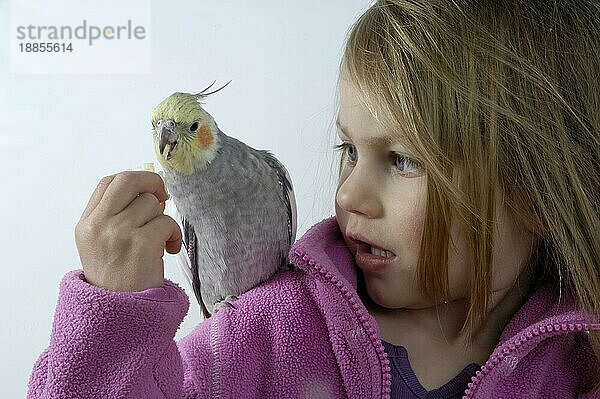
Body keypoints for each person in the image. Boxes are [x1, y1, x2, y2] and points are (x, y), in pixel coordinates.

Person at [28, 1, 600, 398]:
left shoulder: (581, 363)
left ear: (534, 192)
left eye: (402, 160)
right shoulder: (266, 334)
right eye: (348, 151)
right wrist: (110, 322)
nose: (348, 193)